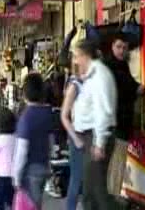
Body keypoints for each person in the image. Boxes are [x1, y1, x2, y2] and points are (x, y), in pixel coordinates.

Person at [73, 39, 117, 210]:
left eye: (77, 56)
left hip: (96, 135)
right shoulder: (91, 75)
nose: (75, 61)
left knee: (97, 193)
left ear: (85, 56)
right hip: (90, 136)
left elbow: (103, 111)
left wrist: (99, 144)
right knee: (91, 193)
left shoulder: (100, 76)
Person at [13, 73, 55, 209]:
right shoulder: (48, 113)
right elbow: (51, 141)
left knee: (31, 205)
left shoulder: (25, 117)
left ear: (24, 94)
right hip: (43, 166)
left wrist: (16, 175)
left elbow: (22, 150)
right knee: (36, 203)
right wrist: (49, 162)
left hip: (30, 170)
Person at [104, 32, 145, 141]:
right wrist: (137, 89)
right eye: (118, 47)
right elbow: (123, 87)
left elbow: (129, 82)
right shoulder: (108, 65)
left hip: (122, 121)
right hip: (114, 123)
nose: (121, 51)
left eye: (124, 48)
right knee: (117, 155)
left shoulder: (122, 64)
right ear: (112, 46)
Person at [61, 74, 85, 210]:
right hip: (78, 134)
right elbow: (65, 116)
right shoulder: (75, 84)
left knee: (86, 180)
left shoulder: (93, 82)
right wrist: (75, 138)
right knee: (76, 179)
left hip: (86, 135)